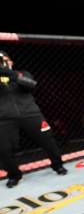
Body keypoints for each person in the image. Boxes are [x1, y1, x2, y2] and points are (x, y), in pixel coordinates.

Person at [0, 51, 67, 188]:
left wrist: (9, 73)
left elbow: (31, 85)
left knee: (48, 140)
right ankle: (14, 175)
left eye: (5, 60)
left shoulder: (22, 73)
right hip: (4, 118)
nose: (3, 63)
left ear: (11, 62)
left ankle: (58, 165)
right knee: (4, 149)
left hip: (31, 113)